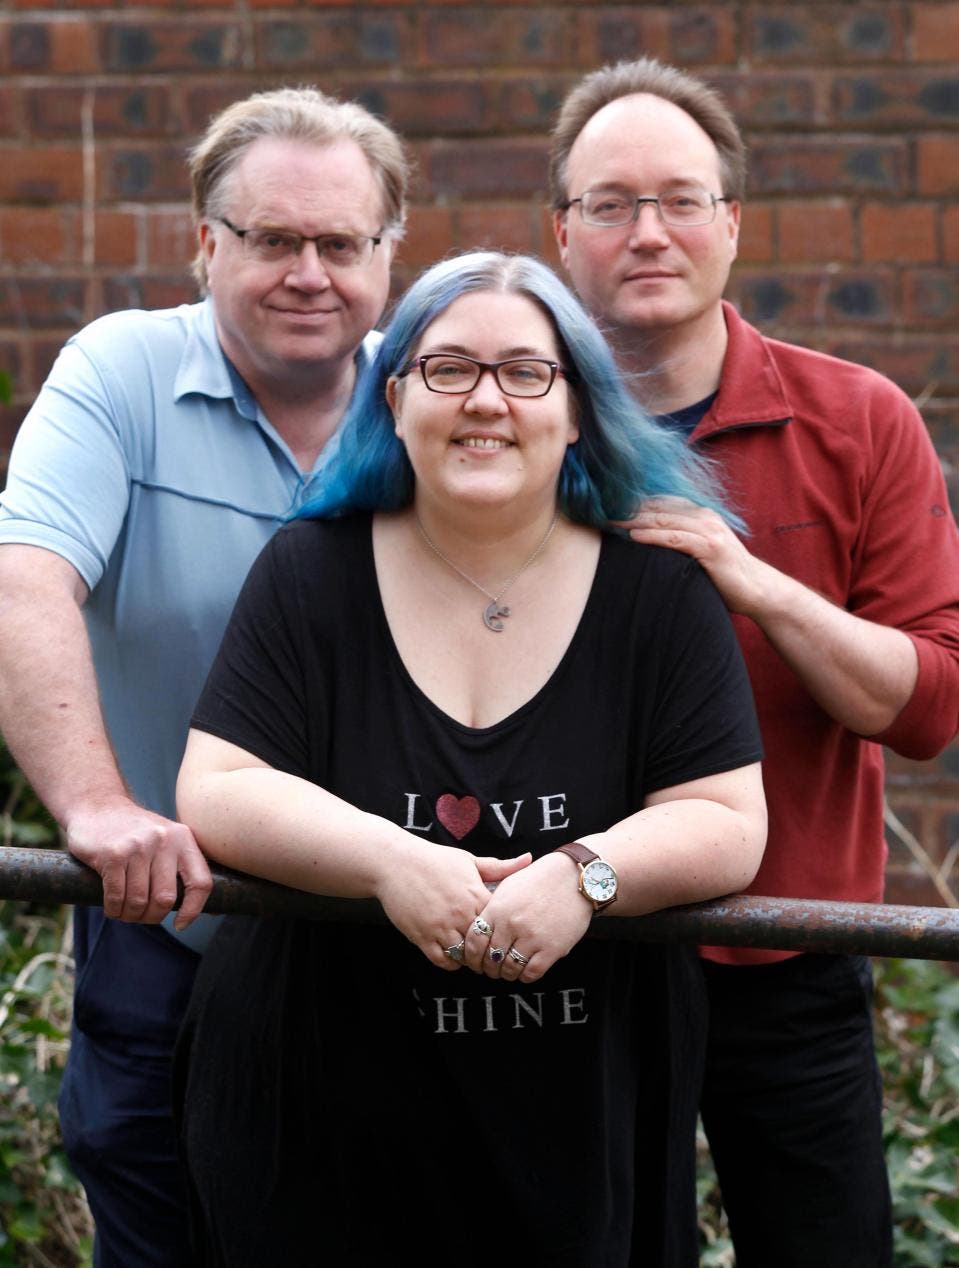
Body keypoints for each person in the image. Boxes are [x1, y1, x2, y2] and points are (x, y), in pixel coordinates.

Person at [173, 249, 767, 1266]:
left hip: (572, 1113)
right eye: (448, 368)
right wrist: (390, 861)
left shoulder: (655, 594)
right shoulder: (310, 572)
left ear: (576, 407)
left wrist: (584, 876)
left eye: (525, 371)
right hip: (317, 1108)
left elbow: (725, 819)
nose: (485, 400)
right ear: (394, 397)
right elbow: (219, 787)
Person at [549, 57, 959, 1267]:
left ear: (729, 222)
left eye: (679, 199)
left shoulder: (856, 419)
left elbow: (928, 705)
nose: (647, 232)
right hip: (576, 944)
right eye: (610, 204)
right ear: (559, 233)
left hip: (791, 949)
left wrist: (753, 581)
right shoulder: (502, 417)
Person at [0, 86, 408, 1266]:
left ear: (389, 255)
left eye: (341, 243)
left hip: (377, 938)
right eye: (272, 239)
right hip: (165, 914)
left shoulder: (431, 401)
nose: (308, 272)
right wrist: (95, 804)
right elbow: (26, 582)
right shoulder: (119, 374)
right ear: (204, 243)